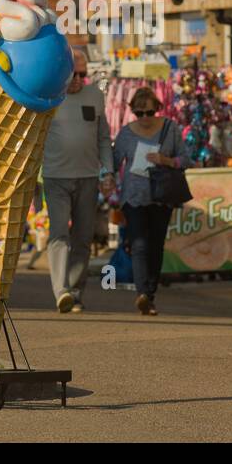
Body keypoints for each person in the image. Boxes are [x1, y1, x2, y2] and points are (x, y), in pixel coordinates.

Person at [42, 48, 114, 313]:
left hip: (88, 177)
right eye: (73, 73)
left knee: (83, 238)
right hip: (55, 177)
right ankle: (60, 291)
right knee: (59, 234)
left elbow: (103, 137)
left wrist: (108, 170)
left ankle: (75, 292)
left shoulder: (95, 95)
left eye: (83, 74)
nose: (77, 79)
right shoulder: (48, 95)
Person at [111, 87, 187, 316]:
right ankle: (142, 293)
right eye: (139, 113)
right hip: (133, 198)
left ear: (157, 110)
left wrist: (166, 160)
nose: (144, 118)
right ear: (132, 111)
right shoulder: (126, 133)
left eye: (149, 112)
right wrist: (107, 180)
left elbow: (187, 158)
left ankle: (150, 295)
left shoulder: (170, 129)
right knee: (139, 245)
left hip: (162, 197)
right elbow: (114, 162)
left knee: (156, 246)